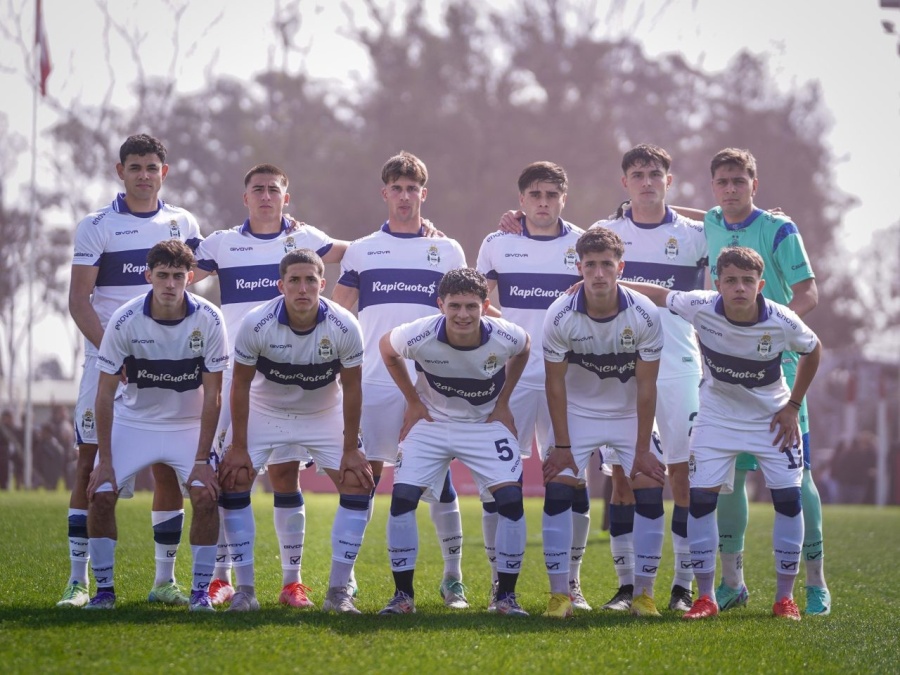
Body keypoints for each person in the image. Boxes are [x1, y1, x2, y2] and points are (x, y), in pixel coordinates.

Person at [623, 245, 821, 621]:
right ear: (718, 283)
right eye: (731, 280)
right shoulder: (700, 304)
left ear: (760, 285)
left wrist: (793, 407)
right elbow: (660, 294)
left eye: (748, 281)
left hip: (770, 422)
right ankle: (707, 598)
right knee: (700, 503)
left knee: (788, 502)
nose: (740, 288)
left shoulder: (782, 319)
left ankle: (784, 598)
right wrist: (611, 282)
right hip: (715, 419)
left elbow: (814, 350)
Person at [193, 163, 348, 607]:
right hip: (234, 377)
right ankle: (220, 578)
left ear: (286, 196)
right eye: (257, 190)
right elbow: (177, 271)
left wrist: (421, 233)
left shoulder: (305, 239)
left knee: (284, 474)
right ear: (246, 198)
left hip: (289, 377)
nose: (265, 196)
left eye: (273, 189)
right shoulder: (222, 244)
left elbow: (357, 253)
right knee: (227, 472)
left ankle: (291, 582)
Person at [60, 134, 204, 608]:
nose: (144, 174)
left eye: (152, 167)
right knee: (90, 465)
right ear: (119, 171)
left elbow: (206, 270)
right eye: (135, 166)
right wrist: (114, 356)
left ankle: (164, 580)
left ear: (165, 171)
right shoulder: (96, 225)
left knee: (166, 466)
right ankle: (80, 581)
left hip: (167, 368)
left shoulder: (182, 222)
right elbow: (79, 301)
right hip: (108, 364)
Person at [332, 151, 471, 607]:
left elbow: (464, 314)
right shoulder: (363, 249)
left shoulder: (447, 250)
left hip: (433, 387)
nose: (406, 195)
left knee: (439, 483)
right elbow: (337, 312)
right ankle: (344, 582)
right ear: (385, 193)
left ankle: (453, 578)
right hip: (373, 383)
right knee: (362, 479)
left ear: (423, 194)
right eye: (398, 188)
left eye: (413, 188)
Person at [702, 148, 829, 616]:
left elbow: (808, 292)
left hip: (780, 371)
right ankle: (732, 582)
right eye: (723, 182)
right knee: (729, 477)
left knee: (799, 479)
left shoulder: (780, 229)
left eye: (740, 181)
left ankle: (814, 581)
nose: (731, 189)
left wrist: (770, 329)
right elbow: (705, 217)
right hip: (725, 372)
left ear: (755, 183)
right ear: (714, 186)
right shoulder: (712, 221)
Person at [217, 249, 373, 613]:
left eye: (310, 280)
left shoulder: (345, 324)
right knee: (235, 477)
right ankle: (246, 591)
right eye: (294, 280)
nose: (302, 288)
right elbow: (239, 386)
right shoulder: (256, 323)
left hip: (322, 411)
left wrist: (352, 449)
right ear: (281, 285)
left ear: (323, 283)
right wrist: (237, 445)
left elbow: (352, 388)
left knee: (356, 480)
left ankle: (338, 594)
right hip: (266, 409)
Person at [590, 145, 708, 613]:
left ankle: (680, 587)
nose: (646, 181)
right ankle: (627, 587)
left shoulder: (697, 235)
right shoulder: (604, 232)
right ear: (624, 182)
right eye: (637, 174)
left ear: (669, 180)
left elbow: (735, 228)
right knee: (623, 476)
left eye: (655, 174)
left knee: (681, 476)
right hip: (618, 367)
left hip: (679, 366)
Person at [83, 239, 229, 611]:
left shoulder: (210, 318)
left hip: (187, 425)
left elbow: (213, 395)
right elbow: (104, 395)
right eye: (161, 275)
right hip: (135, 422)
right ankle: (103, 593)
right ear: (148, 276)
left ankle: (199, 595)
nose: (169, 284)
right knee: (100, 496)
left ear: (190, 277)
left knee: (206, 496)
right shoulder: (125, 319)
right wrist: (106, 461)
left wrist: (201, 458)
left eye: (177, 276)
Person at [377, 268, 531, 615]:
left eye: (471, 306)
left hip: (483, 424)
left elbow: (525, 348)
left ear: (484, 306)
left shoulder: (506, 335)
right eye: (455, 306)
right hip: (432, 423)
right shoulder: (418, 334)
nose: (463, 315)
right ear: (440, 305)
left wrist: (504, 402)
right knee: (402, 498)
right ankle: (403, 598)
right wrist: (414, 402)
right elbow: (387, 349)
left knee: (510, 501)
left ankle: (505, 598)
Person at [476, 161, 588, 610]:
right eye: (535, 195)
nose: (544, 203)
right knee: (498, 481)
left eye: (552, 195)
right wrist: (511, 331)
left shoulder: (583, 243)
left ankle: (571, 585)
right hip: (511, 378)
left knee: (570, 479)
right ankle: (499, 584)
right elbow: (479, 299)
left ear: (564, 198)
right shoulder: (496, 242)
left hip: (569, 379)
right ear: (521, 200)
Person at [540, 228, 667, 618]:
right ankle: (560, 596)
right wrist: (562, 447)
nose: (598, 273)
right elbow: (555, 383)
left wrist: (643, 449)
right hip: (578, 411)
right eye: (590, 265)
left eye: (606, 265)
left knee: (648, 486)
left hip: (630, 413)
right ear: (579, 268)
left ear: (620, 267)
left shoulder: (644, 312)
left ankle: (644, 595)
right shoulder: (559, 314)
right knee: (559, 486)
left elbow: (647, 386)